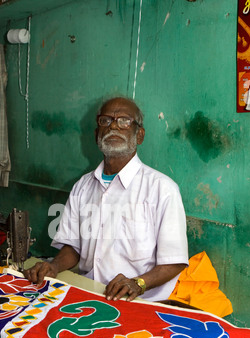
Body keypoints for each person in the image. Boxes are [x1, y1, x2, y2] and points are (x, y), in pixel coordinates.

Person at [24, 96, 188, 302]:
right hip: (87, 292)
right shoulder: (82, 186)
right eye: (106, 121)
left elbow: (175, 261)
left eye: (124, 121)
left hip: (140, 301)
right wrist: (54, 265)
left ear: (140, 135)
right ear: (96, 134)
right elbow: (73, 246)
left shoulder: (162, 189)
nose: (113, 127)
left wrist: (138, 283)